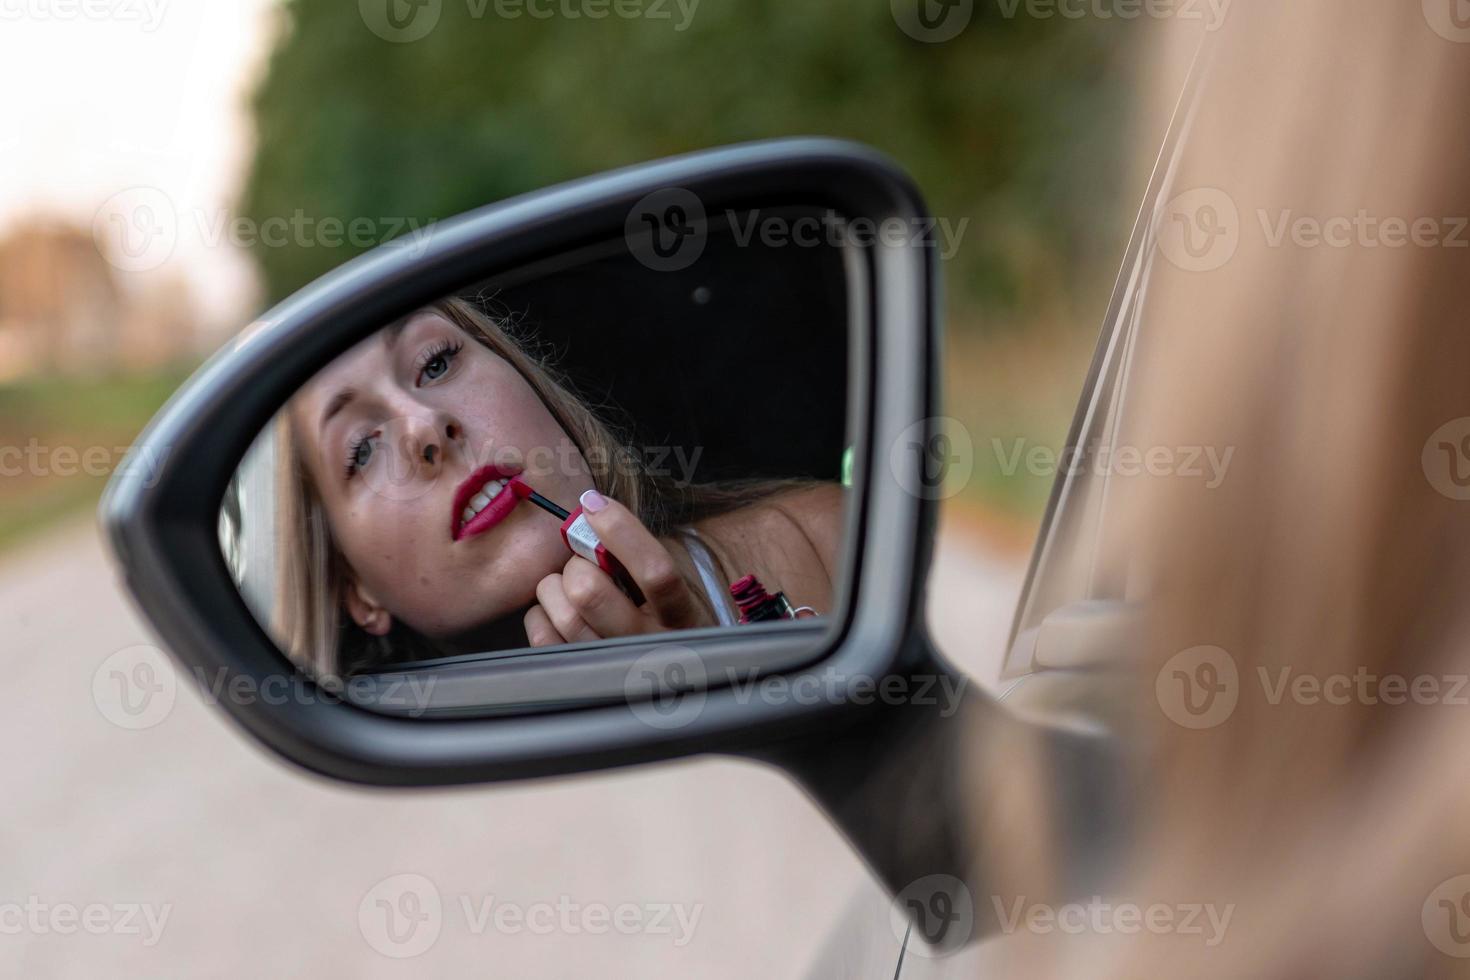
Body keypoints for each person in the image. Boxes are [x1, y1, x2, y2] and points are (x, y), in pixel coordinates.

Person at [271, 298, 843, 679]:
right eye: (361, 450)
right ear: (354, 590)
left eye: (436, 362)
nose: (424, 426)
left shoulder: (827, 539)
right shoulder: (389, 779)